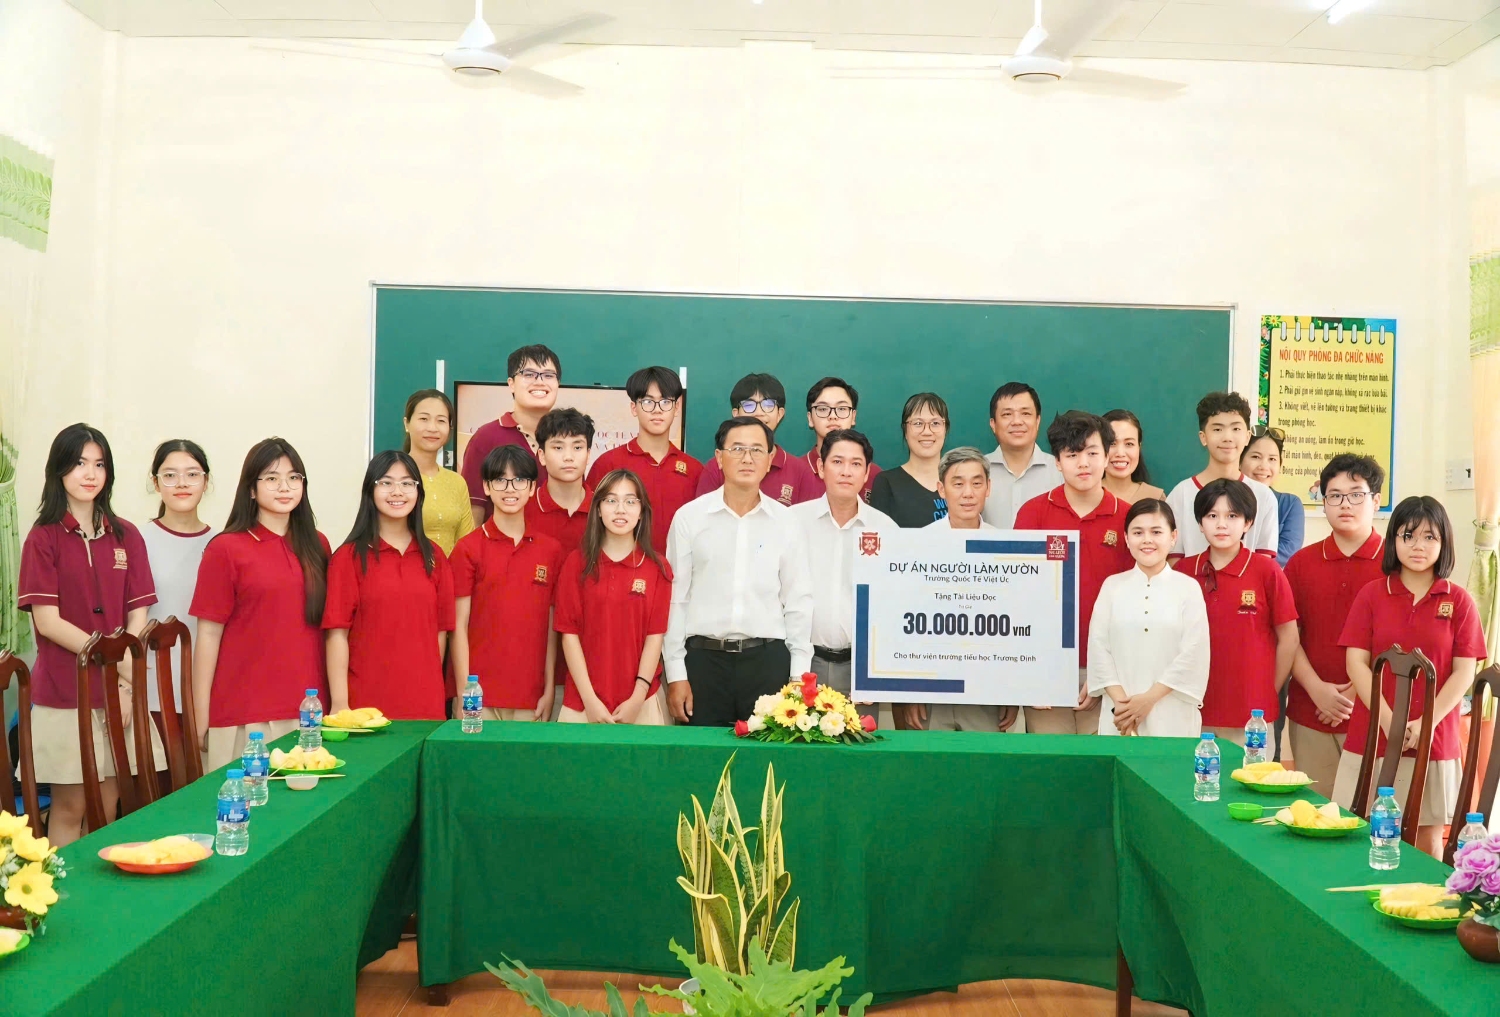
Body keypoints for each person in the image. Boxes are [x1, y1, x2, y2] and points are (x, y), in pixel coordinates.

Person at [18, 423, 163, 846]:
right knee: (70, 807)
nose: (90, 473)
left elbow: (140, 610)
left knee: (108, 804)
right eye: (80, 462)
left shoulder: (127, 534)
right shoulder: (43, 538)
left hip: (120, 690)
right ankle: (61, 904)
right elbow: (47, 621)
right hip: (66, 692)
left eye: (99, 464)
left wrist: (124, 678)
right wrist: (113, 661)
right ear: (59, 469)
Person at [1334, 497, 1485, 858]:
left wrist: (1425, 721)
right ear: (1393, 541)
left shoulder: (1459, 600)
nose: (1419, 546)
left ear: (1444, 543)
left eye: (1430, 537)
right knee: (1359, 834)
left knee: (1427, 840)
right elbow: (1356, 663)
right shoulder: (1372, 594)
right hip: (1374, 733)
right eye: (1409, 535)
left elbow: (1465, 671)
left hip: (1434, 739)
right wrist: (1391, 721)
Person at [191, 438, 330, 770]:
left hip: (307, 711)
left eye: (294, 478)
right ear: (251, 489)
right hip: (244, 715)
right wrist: (199, 718)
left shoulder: (318, 545)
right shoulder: (226, 548)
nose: (285, 487)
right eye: (271, 478)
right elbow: (208, 637)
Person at [665, 417, 814, 726]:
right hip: (703, 664)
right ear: (719, 457)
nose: (748, 458)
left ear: (771, 459)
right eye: (737, 449)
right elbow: (675, 601)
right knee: (702, 765)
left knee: (766, 768)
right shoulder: (689, 519)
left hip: (767, 664)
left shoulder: (786, 522)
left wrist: (798, 676)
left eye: (757, 450)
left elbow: (798, 602)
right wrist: (676, 673)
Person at [1014, 411, 1133, 735]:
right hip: (1045, 669)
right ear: (1057, 461)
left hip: (1111, 672)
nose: (1084, 463)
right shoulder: (1033, 514)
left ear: (1107, 456)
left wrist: (1103, 675)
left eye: (1093, 453)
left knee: (1100, 772)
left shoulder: (1128, 519)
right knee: (1052, 772)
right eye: (1072, 454)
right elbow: (1018, 599)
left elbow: (1133, 604)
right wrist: (1032, 671)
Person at [324, 451, 454, 721]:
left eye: (407, 483)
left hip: (425, 706)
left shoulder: (435, 557)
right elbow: (337, 634)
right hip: (364, 707)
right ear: (370, 491)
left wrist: (430, 689)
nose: (398, 491)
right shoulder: (349, 557)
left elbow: (440, 633)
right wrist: (339, 703)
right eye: (386, 482)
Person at [1283, 454, 1386, 794]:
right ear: (1323, 502)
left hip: (1377, 713)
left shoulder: (1395, 565)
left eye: (1356, 494)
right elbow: (1288, 636)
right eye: (1335, 495)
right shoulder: (1300, 563)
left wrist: (1356, 694)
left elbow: (1396, 640)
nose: (1346, 504)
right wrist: (1316, 689)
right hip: (1310, 709)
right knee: (1316, 816)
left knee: (1373, 820)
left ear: (1376, 500)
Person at [898, 447, 1015, 734]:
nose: (968, 493)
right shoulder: (915, 546)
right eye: (958, 483)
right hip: (929, 693)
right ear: (941, 489)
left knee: (983, 772)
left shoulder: (1007, 549)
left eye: (977, 483)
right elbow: (904, 621)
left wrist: (1015, 690)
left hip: (986, 693)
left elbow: (1014, 624)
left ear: (988, 488)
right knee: (931, 774)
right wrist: (912, 691)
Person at [1173, 478, 1298, 743]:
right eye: (1212, 515)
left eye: (1232, 515)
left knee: (1250, 782)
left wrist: (1267, 689)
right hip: (1192, 708)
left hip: (1251, 714)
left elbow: (1289, 637)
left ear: (1248, 523)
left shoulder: (1267, 571)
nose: (1221, 524)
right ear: (1199, 523)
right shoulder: (1183, 571)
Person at [450, 445, 564, 722]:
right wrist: (466, 691)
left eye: (519, 480)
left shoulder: (550, 550)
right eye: (500, 480)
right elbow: (458, 628)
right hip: (479, 695)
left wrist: (549, 688)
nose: (510, 489)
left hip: (531, 695)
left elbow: (551, 627)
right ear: (487, 487)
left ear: (532, 487)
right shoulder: (468, 549)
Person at [790, 429, 894, 724]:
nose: (846, 472)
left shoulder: (885, 529)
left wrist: (876, 672)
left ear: (867, 473)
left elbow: (891, 607)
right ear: (821, 468)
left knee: (858, 762)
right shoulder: (793, 522)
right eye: (837, 462)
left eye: (856, 464)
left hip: (860, 669)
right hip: (803, 664)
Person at [554, 469, 672, 725]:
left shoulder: (657, 568)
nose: (621, 509)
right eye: (611, 500)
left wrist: (638, 697)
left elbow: (655, 637)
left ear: (642, 511)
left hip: (641, 701)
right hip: (583, 702)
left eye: (631, 501)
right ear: (597, 509)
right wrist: (590, 700)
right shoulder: (577, 563)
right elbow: (569, 634)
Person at [1088, 499, 1210, 737]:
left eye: (1156, 532)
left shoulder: (1188, 588)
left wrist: (1148, 700)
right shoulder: (1112, 586)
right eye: (1137, 532)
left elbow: (1194, 653)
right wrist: (1123, 705)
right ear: (1126, 537)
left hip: (1172, 711)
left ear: (1173, 537)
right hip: (1119, 715)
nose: (1147, 540)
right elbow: (1098, 647)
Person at [139, 440, 215, 777]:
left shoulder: (223, 544)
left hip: (209, 693)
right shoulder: (136, 541)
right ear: (155, 483)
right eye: (170, 475)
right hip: (154, 693)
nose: (182, 483)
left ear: (206, 481)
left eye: (191, 474)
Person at [586, 366, 702, 554]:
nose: (657, 410)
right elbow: (591, 526)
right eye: (648, 402)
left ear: (677, 407)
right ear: (634, 408)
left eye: (665, 401)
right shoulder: (609, 464)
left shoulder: (695, 470)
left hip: (679, 574)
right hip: (622, 573)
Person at [1165, 392, 1279, 559]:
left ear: (1247, 437)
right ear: (1203, 438)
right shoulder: (1180, 494)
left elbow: (1264, 562)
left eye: (1236, 429)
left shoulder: (1264, 496)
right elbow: (1174, 559)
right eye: (1217, 429)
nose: (1227, 438)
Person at [460, 344, 560, 524]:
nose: (539, 381)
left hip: (554, 549)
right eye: (529, 374)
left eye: (548, 375)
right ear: (511, 384)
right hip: (499, 548)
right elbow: (473, 511)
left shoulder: (566, 440)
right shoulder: (486, 438)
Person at [694, 373, 821, 506]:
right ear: (736, 414)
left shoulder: (800, 471)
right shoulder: (717, 466)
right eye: (749, 405)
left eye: (768, 404)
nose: (758, 412)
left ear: (780, 414)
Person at [402, 388, 474, 555]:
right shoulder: (392, 478)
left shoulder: (457, 482)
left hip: (449, 578)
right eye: (424, 419)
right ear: (407, 424)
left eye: (441, 421)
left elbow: (467, 544)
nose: (432, 428)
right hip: (403, 577)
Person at [980, 382, 1061, 528]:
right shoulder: (977, 470)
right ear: (993, 424)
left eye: (1025, 413)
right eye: (1007, 414)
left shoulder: (1061, 472)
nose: (1017, 421)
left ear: (1037, 421)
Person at [867, 392, 950, 528]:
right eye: (918, 423)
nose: (927, 431)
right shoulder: (887, 483)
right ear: (905, 431)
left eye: (935, 423)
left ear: (945, 429)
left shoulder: (959, 481)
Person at [524, 407, 595, 552]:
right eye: (558, 448)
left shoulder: (603, 509)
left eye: (577, 447)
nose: (568, 457)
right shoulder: (523, 508)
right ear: (542, 456)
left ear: (588, 455)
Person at [801, 377, 881, 500]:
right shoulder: (795, 471)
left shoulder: (875, 476)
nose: (833, 416)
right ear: (810, 418)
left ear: (853, 416)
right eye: (823, 409)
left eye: (842, 409)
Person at [1241, 426, 1304, 567]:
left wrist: (1240, 562)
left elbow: (1288, 551)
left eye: (1272, 459)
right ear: (1240, 461)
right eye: (1256, 457)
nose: (1264, 466)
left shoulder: (1289, 504)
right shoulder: (1222, 499)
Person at [1100, 409, 1165, 503]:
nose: (1120, 453)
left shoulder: (1155, 497)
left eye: (1129, 444)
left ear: (1139, 446)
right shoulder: (1083, 495)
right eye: (1112, 444)